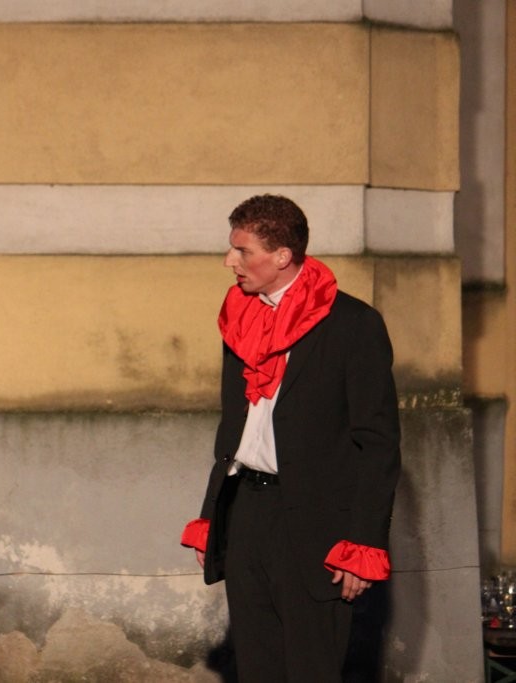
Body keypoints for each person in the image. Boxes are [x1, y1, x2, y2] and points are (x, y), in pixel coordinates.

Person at [180, 195, 401, 682]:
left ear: (282, 256)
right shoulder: (240, 316)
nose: (229, 261)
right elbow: (233, 428)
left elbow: (378, 444)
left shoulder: (353, 325)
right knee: (256, 666)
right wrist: (213, 513)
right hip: (246, 512)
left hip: (316, 524)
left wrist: (363, 544)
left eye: (243, 250)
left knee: (311, 669)